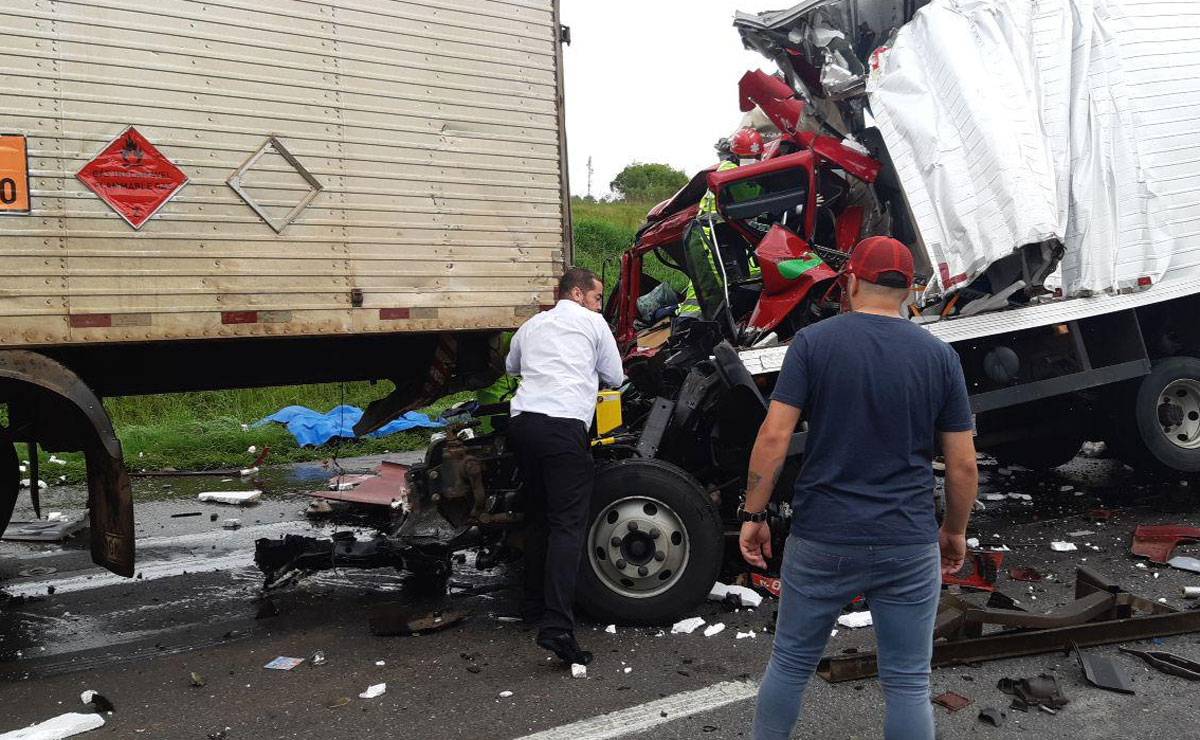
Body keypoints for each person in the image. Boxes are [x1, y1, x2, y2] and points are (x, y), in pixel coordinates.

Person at [737, 236, 979, 740]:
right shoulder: (939, 357)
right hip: (908, 539)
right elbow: (961, 466)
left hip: (824, 536)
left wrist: (753, 516)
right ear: (911, 291)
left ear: (849, 283)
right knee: (909, 682)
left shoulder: (814, 343)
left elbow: (775, 436)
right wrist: (954, 531)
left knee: (790, 663)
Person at [505, 267, 625, 666]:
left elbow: (511, 368)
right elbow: (615, 375)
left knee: (537, 515)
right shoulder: (592, 323)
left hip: (522, 426)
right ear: (577, 293)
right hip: (562, 429)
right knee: (567, 526)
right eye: (595, 297)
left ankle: (532, 604)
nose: (597, 305)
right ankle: (557, 627)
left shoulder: (532, 325)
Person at [677, 127, 765, 321]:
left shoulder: (726, 171)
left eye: (757, 156)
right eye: (752, 156)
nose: (755, 161)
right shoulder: (732, 177)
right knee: (710, 292)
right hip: (714, 243)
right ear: (737, 154)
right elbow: (758, 200)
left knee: (711, 291)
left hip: (720, 239)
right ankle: (686, 326)